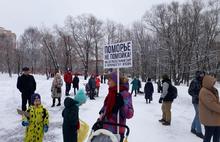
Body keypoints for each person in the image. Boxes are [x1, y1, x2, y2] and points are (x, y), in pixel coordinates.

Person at [98, 72, 134, 142]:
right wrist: (100, 118)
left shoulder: (125, 94)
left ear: (115, 81)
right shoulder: (111, 93)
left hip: (117, 131)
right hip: (105, 129)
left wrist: (122, 105)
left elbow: (129, 114)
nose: (108, 83)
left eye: (109, 80)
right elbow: (106, 107)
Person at [199, 75, 220, 142]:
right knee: (208, 137)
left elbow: (216, 102)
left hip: (215, 119)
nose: (214, 84)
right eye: (212, 82)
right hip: (209, 119)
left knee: (217, 137)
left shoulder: (212, 90)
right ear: (208, 82)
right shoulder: (204, 92)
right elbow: (212, 105)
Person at [188, 71, 205, 138]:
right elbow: (190, 91)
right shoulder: (194, 81)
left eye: (203, 74)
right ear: (198, 75)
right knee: (199, 115)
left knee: (197, 114)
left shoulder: (203, 81)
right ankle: (199, 131)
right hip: (196, 101)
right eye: (201, 74)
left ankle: (192, 128)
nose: (202, 75)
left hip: (202, 101)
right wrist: (196, 96)